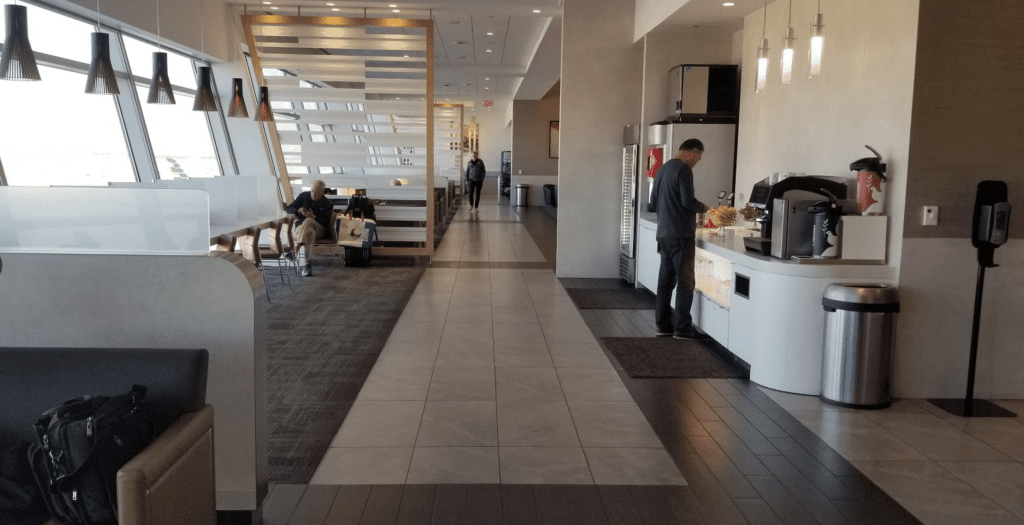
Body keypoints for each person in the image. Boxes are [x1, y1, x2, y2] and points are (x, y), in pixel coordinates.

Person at [649, 139, 710, 340]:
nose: (697, 162)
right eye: (698, 158)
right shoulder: (684, 169)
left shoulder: (662, 168)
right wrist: (707, 209)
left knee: (665, 282)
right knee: (685, 282)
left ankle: (662, 325)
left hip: (664, 233)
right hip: (681, 234)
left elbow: (652, 203)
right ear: (692, 152)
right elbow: (688, 201)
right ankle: (682, 328)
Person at [285, 179, 335, 277]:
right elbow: (289, 209)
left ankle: (296, 249)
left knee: (309, 221)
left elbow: (326, 222)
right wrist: (299, 210)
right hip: (302, 228)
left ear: (322, 192)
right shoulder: (303, 196)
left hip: (320, 229)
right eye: (312, 191)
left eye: (316, 192)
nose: (313, 194)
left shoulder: (328, 204)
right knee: (310, 233)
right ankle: (308, 265)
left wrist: (313, 217)